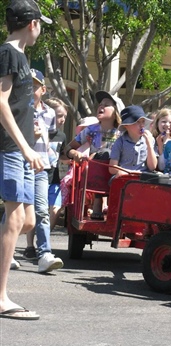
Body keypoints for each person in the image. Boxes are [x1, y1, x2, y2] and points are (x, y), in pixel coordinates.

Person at [0, 0, 51, 320]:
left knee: (28, 221)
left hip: (23, 150)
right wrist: (25, 147)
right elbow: (1, 102)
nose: (41, 29)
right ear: (32, 24)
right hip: (10, 149)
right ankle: (1, 297)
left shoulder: (20, 57)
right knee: (16, 220)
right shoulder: (7, 53)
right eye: (41, 23)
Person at [21, 69, 64, 273]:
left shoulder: (50, 113)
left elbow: (52, 135)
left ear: (43, 89)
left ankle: (45, 254)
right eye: (26, 85)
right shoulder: (19, 108)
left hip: (41, 166)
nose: (30, 89)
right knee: (16, 210)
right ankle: (7, 251)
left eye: (35, 86)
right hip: (20, 163)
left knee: (41, 210)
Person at [63, 91, 123, 220]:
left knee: (110, 156)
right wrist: (74, 153)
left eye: (106, 105)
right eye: (100, 104)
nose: (101, 106)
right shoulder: (91, 130)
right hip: (95, 169)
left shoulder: (122, 133)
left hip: (116, 169)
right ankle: (98, 201)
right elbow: (68, 148)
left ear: (116, 111)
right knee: (101, 155)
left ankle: (113, 206)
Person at [109, 105, 157, 177]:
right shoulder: (120, 142)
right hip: (124, 177)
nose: (141, 125)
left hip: (142, 177)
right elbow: (112, 168)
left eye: (143, 121)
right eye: (137, 122)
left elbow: (152, 167)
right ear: (126, 126)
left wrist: (149, 145)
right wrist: (127, 172)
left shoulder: (150, 140)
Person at [46, 97, 69, 231]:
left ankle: (44, 239)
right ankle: (30, 245)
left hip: (54, 179)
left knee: (56, 209)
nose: (63, 119)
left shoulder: (62, 136)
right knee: (36, 212)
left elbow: (62, 156)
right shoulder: (35, 131)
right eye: (59, 115)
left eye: (65, 116)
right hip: (37, 177)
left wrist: (74, 158)